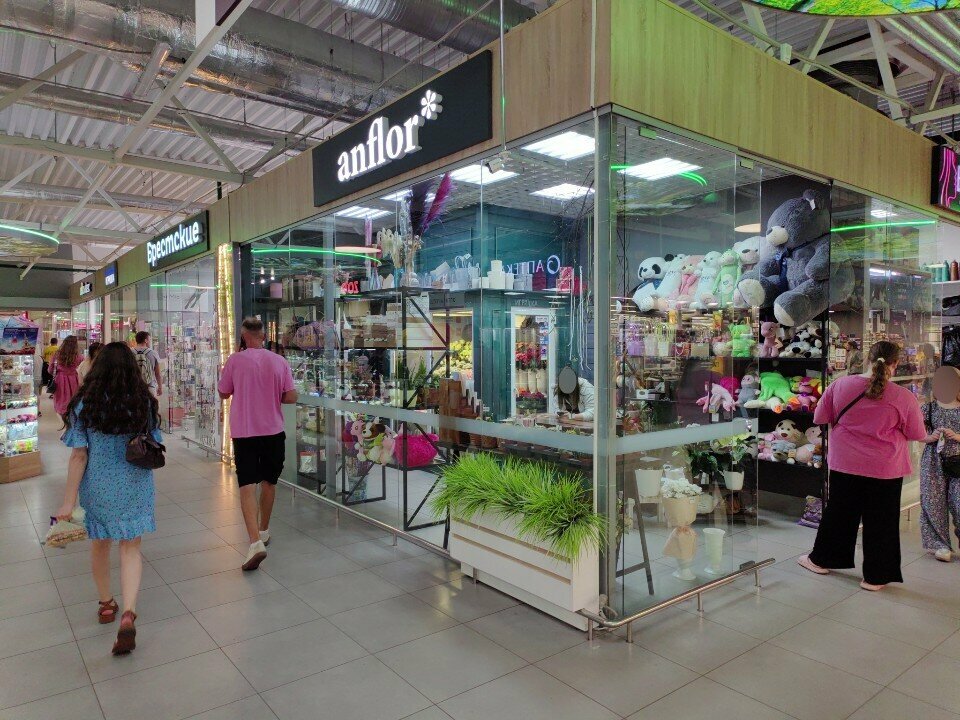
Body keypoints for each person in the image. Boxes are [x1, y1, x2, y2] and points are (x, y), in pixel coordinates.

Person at [54, 342, 162, 656]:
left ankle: (106, 604)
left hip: (98, 487)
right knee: (131, 547)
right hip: (135, 483)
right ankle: (128, 612)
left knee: (100, 544)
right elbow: (155, 441)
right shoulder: (143, 400)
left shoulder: (84, 404)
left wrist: (67, 501)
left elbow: (78, 456)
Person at [798, 341, 926, 591]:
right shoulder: (903, 397)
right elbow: (915, 433)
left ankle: (822, 560)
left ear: (867, 358)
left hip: (845, 463)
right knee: (883, 521)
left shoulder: (840, 385)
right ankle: (876, 577)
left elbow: (819, 418)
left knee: (839, 514)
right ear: (896, 364)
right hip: (886, 468)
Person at [218, 317, 297, 571]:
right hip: (273, 431)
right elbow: (291, 396)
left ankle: (254, 542)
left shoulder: (234, 361)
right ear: (263, 335)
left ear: (244, 336)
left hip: (244, 432)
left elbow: (223, 392)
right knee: (269, 482)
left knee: (246, 485)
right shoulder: (279, 361)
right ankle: (263, 530)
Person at [919, 365, 960, 562]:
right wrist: (930, 437)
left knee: (958, 501)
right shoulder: (928, 408)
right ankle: (939, 544)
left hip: (958, 460)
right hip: (933, 460)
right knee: (932, 501)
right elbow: (916, 433)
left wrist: (958, 436)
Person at [50, 335, 82, 419]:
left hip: (60, 380)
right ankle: (72, 420)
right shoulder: (79, 357)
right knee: (74, 400)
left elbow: (50, 369)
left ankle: (63, 421)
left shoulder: (56, 355)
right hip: (74, 380)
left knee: (60, 401)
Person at [133, 331, 163, 397]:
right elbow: (157, 373)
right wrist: (160, 387)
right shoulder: (153, 353)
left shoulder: (129, 352)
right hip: (150, 387)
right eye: (149, 339)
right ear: (146, 340)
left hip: (134, 388)